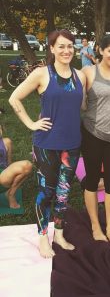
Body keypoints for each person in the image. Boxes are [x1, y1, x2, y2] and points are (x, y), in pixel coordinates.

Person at [9, 29, 86, 258]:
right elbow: (14, 98)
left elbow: (81, 107)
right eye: (60, 46)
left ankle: (59, 233)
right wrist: (31, 123)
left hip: (72, 144)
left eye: (70, 46)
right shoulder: (43, 74)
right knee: (46, 192)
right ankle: (43, 236)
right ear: (51, 48)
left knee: (64, 194)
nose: (66, 50)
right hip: (46, 145)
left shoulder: (79, 76)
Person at [81, 34, 110, 245]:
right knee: (92, 180)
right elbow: (76, 102)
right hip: (92, 134)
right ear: (100, 50)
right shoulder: (88, 72)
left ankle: (109, 227)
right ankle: (95, 225)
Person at [0, 124, 32, 208]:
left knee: (27, 165)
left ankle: (10, 194)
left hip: (4, 175)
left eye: (0, 128)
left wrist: (12, 173)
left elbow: (9, 161)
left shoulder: (6, 141)